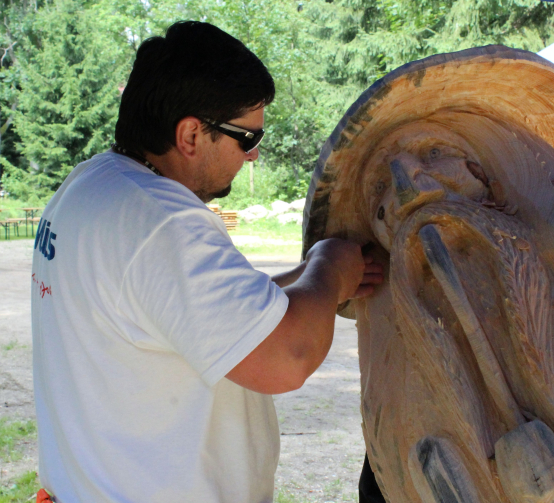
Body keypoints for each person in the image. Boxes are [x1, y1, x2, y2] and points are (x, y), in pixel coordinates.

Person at [30, 21, 382, 502]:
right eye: (246, 138)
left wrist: (303, 281)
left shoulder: (93, 186)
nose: (254, 156)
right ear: (192, 134)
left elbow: (176, 315)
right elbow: (286, 359)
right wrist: (328, 267)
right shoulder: (161, 224)